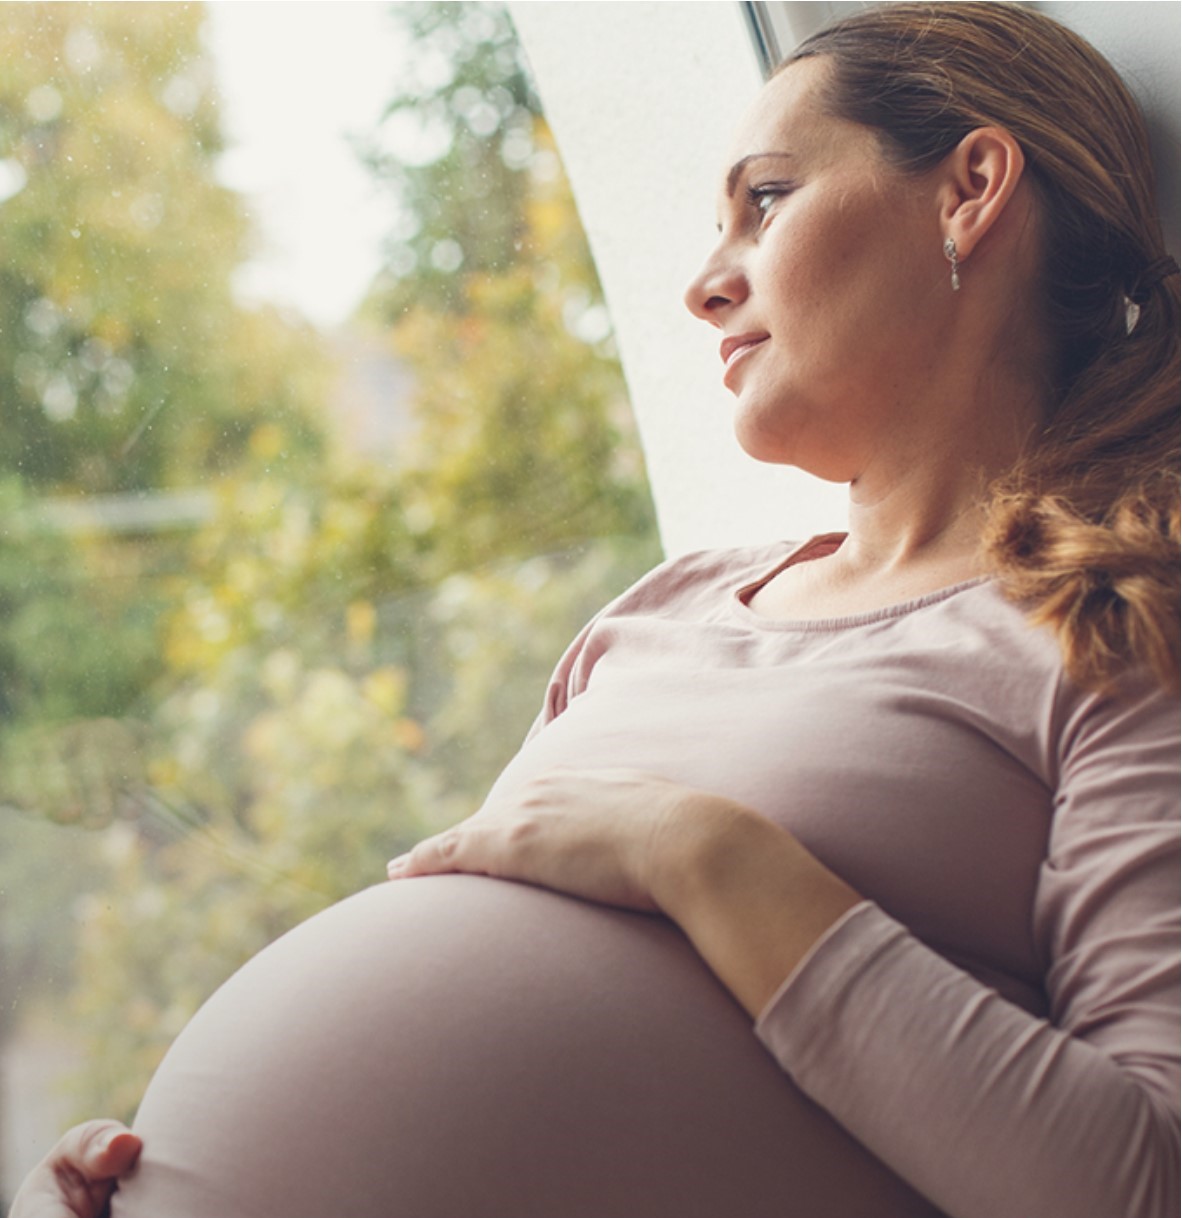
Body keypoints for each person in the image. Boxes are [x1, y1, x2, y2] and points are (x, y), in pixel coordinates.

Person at [13, 4, 1178, 1217]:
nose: (701, 285)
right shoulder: (663, 610)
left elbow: (1148, 1181)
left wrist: (705, 857)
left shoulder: (1124, 629)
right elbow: (453, 986)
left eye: (765, 199)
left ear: (970, 189)